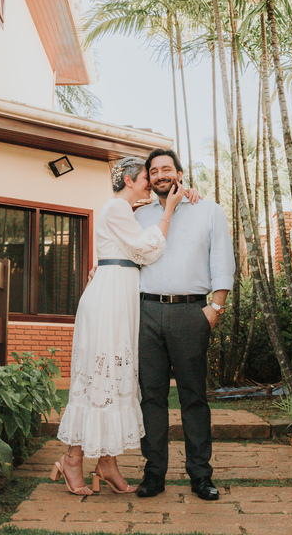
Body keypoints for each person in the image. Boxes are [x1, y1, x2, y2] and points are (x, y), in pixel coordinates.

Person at [51, 156, 184, 495]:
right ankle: (72, 459)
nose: (148, 184)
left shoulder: (126, 211)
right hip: (108, 297)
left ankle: (107, 462)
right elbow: (146, 249)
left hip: (121, 293)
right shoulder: (116, 208)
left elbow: (136, 253)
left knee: (114, 377)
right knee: (99, 378)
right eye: (143, 178)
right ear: (128, 180)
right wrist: (168, 211)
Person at [133, 148, 234, 501]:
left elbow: (222, 260)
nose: (161, 174)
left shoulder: (208, 210)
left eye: (167, 168)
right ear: (149, 178)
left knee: (193, 397)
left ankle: (201, 476)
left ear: (179, 172)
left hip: (191, 313)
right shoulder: (138, 216)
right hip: (145, 313)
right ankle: (154, 474)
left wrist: (215, 308)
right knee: (152, 398)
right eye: (154, 170)